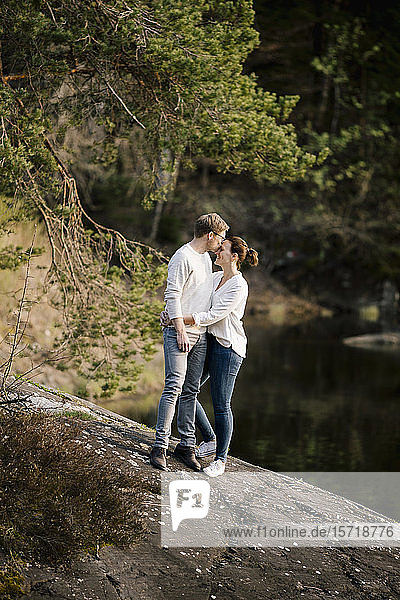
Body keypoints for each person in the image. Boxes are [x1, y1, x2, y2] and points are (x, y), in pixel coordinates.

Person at [149, 213, 229, 471]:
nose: (221, 244)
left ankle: (186, 445)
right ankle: (159, 446)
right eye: (221, 238)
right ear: (210, 236)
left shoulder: (206, 259)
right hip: (180, 333)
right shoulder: (182, 257)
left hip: (200, 334)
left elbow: (203, 296)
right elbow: (171, 294)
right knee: (173, 386)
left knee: (190, 391)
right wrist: (180, 328)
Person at [181, 236, 259, 477]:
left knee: (221, 405)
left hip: (228, 347)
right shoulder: (215, 278)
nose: (217, 252)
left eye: (222, 249)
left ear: (233, 256)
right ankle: (211, 438)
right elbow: (197, 296)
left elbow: (213, 314)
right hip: (209, 342)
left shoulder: (238, 285)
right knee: (187, 389)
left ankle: (220, 460)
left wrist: (180, 320)